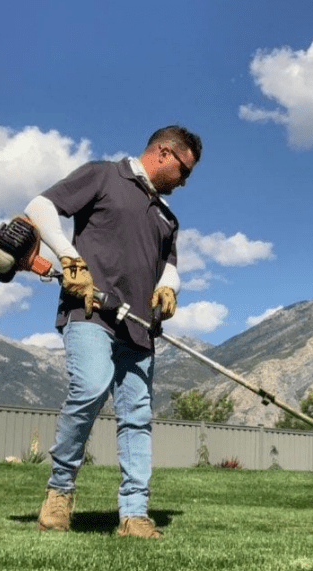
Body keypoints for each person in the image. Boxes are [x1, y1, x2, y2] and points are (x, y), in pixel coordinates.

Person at [27, 125, 202, 537]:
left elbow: (170, 264)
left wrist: (168, 286)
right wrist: (69, 257)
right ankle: (59, 492)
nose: (185, 181)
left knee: (137, 417)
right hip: (90, 310)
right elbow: (40, 207)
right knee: (90, 387)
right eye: (185, 170)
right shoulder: (104, 175)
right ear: (163, 153)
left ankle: (134, 514)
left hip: (141, 327)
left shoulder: (167, 216)